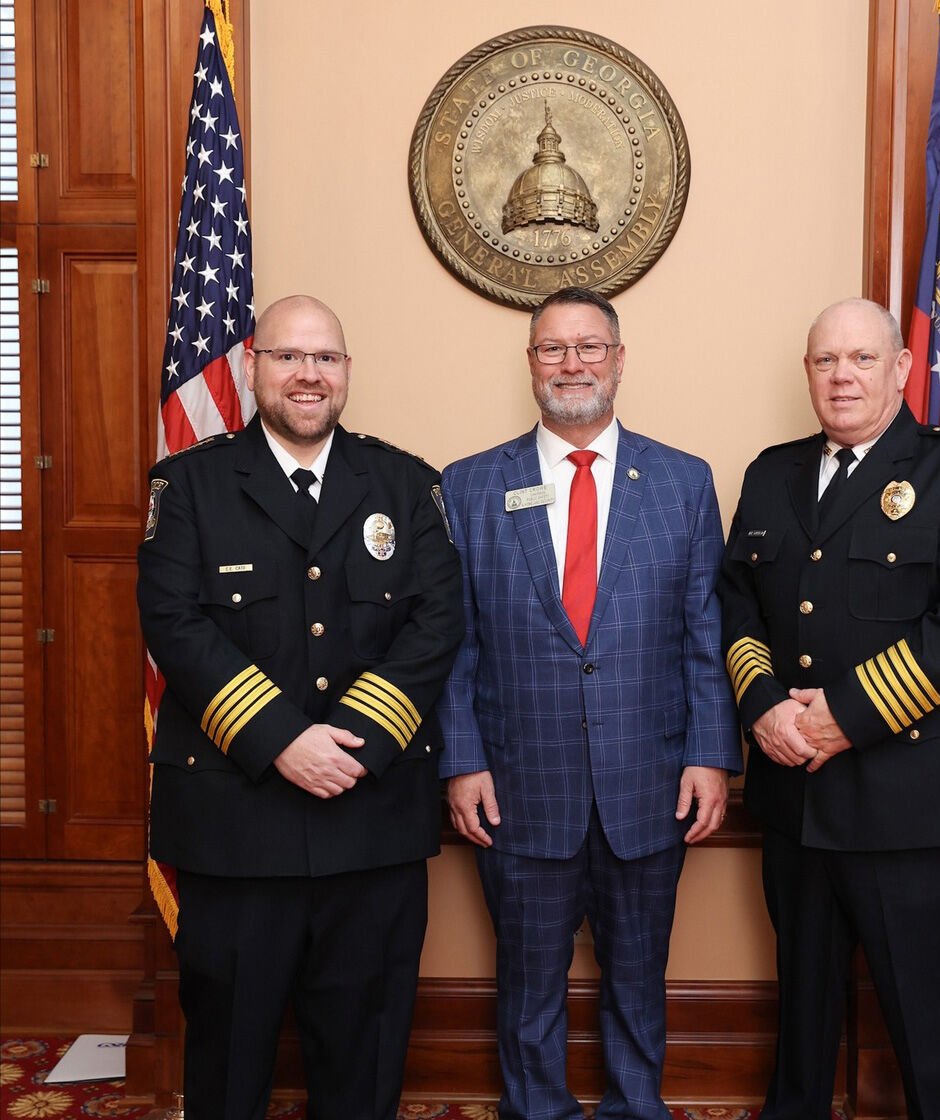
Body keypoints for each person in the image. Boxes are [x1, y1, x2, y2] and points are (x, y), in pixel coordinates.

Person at [137, 295, 464, 1120]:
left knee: (365, 1056)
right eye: (288, 357)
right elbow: (173, 623)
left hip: (370, 822)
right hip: (236, 829)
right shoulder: (189, 484)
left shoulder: (405, 482)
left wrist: (349, 743)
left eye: (326, 359)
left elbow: (437, 623)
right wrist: (282, 738)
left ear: (348, 372)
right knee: (230, 1060)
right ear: (253, 370)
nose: (308, 375)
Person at [438, 286, 742, 1120]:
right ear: (531, 363)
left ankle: (634, 1109)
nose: (572, 363)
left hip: (648, 784)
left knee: (638, 978)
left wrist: (711, 756)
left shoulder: (683, 482)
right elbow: (453, 643)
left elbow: (703, 636)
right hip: (519, 787)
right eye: (552, 349)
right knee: (528, 982)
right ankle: (535, 1109)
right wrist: (461, 763)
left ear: (618, 358)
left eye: (589, 347)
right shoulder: (468, 487)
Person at [719, 297, 940, 1119]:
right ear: (809, 375)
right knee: (803, 1016)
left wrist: (840, 716)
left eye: (861, 359)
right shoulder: (771, 473)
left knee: (928, 1021)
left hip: (910, 801)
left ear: (900, 369)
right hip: (795, 792)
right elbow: (735, 603)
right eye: (826, 361)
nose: (842, 376)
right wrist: (764, 709)